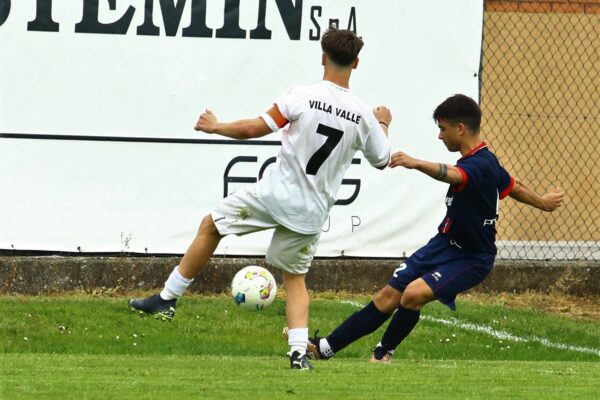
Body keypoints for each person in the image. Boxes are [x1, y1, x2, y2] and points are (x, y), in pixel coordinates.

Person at [128, 27, 392, 370]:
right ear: (356, 63)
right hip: (310, 211)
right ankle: (298, 354)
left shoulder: (300, 96)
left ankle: (167, 298)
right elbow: (383, 159)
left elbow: (253, 129)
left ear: (323, 58)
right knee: (294, 279)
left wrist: (215, 126)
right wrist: (384, 122)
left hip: (272, 196)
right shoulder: (363, 115)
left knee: (211, 226)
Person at [305, 94, 565, 363]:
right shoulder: (487, 163)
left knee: (413, 295)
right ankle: (326, 347)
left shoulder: (480, 164)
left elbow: (455, 175)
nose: (440, 136)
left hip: (472, 257)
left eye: (443, 128)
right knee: (386, 297)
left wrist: (415, 162)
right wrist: (542, 202)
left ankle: (383, 354)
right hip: (443, 244)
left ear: (460, 128)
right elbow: (514, 185)